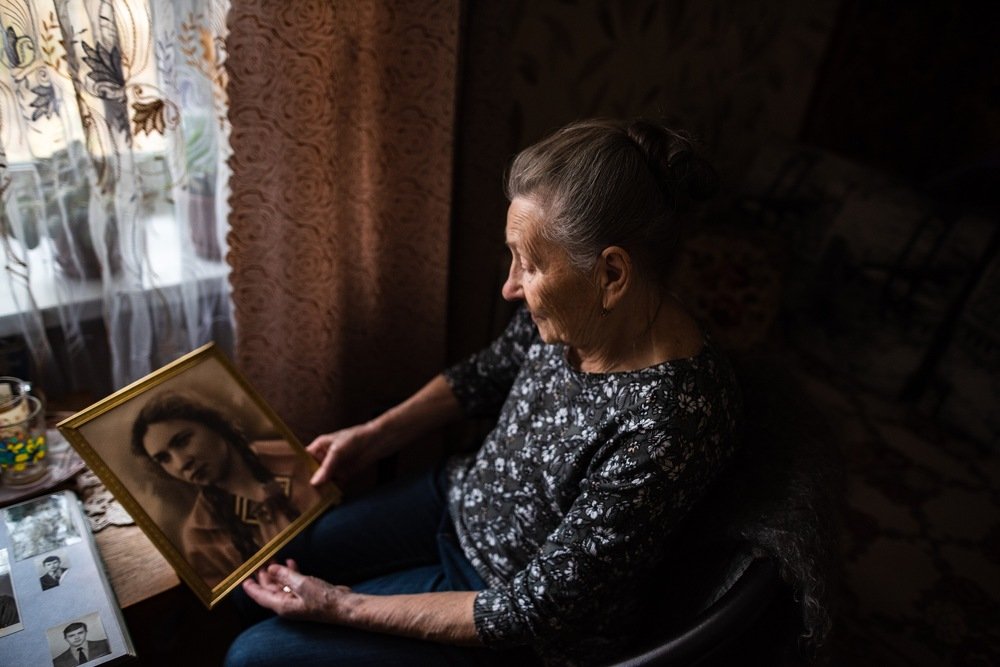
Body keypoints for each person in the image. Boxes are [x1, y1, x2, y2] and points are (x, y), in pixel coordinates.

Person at [224, 118, 741, 666]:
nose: (510, 287)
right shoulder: (580, 306)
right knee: (246, 569)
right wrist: (371, 438)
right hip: (461, 497)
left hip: (502, 604)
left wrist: (340, 605)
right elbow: (485, 376)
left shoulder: (672, 421)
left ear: (612, 274)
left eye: (530, 265)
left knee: (253, 656)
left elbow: (532, 609)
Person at [131, 392, 323, 587]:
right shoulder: (200, 536)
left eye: (182, 441)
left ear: (212, 424)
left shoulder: (295, 457)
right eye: (164, 459)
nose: (181, 463)